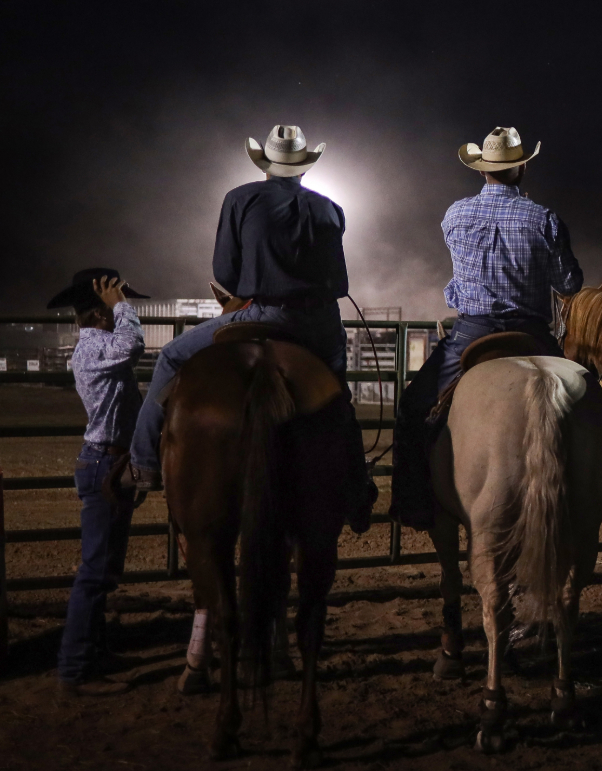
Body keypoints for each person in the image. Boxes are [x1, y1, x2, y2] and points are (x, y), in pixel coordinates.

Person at [124, 125, 375, 530]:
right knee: (337, 395)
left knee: (171, 356)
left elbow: (225, 271)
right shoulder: (330, 208)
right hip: (320, 322)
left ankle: (142, 463)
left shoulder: (240, 199)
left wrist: (257, 281)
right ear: (304, 168)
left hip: (265, 314)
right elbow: (338, 279)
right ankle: (355, 485)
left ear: (265, 165)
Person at [390, 127, 583, 530]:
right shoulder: (543, 217)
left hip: (471, 333)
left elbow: (459, 272)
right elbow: (569, 285)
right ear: (522, 167)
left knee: (413, 408)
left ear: (482, 171)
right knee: (586, 402)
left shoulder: (455, 214)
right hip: (532, 333)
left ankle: (413, 502)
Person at [47, 271, 148, 697]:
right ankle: (75, 670)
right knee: (94, 574)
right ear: (99, 315)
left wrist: (116, 304)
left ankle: (92, 655)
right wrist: (121, 304)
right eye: (112, 309)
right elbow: (133, 345)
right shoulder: (94, 347)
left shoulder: (96, 347)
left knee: (102, 571)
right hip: (104, 465)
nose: (119, 314)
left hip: (108, 462)